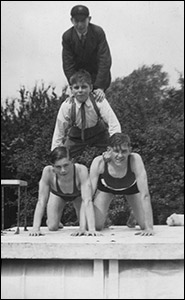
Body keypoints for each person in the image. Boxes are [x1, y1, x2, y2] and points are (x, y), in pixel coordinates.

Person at [90, 133, 154, 236]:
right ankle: (104, 217)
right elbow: (87, 196)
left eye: (124, 151)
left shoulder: (135, 160)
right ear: (109, 150)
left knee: (143, 225)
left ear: (130, 150)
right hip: (107, 188)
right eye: (116, 151)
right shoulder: (99, 162)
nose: (120, 155)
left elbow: (145, 194)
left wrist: (149, 228)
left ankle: (134, 213)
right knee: (96, 226)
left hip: (131, 189)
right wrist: (84, 227)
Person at [29, 146, 98, 236]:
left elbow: (87, 200)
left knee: (86, 226)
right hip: (58, 194)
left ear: (72, 161)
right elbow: (41, 201)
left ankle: (88, 224)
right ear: (52, 166)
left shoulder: (81, 170)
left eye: (66, 165)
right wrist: (35, 228)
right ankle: (54, 220)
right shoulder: (48, 172)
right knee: (52, 226)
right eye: (58, 167)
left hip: (78, 196)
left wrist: (91, 229)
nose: (63, 170)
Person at [51, 69, 121, 157]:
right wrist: (55, 155)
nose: (80, 91)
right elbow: (59, 132)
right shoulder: (67, 105)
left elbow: (113, 124)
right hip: (76, 137)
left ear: (91, 88)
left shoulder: (98, 100)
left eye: (84, 87)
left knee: (116, 153)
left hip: (99, 133)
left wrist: (115, 146)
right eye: (76, 87)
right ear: (71, 89)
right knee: (62, 157)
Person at [62, 4, 112, 101]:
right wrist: (74, 86)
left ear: (89, 19)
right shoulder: (67, 37)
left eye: (83, 21)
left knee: (100, 104)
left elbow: (104, 60)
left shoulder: (98, 32)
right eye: (76, 21)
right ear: (71, 20)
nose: (80, 25)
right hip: (80, 80)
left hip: (99, 77)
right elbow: (68, 65)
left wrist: (99, 87)